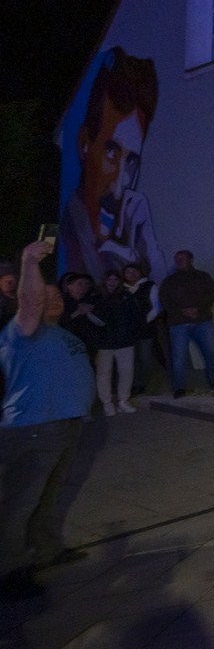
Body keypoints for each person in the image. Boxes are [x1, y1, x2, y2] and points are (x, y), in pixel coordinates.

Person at [0, 240, 94, 600]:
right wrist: (29, 262)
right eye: (46, 296)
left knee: (49, 494)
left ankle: (46, 549)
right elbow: (30, 302)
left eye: (57, 297)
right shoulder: (23, 332)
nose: (52, 301)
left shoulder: (61, 332)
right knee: (20, 501)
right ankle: (8, 570)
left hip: (66, 424)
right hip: (34, 427)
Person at [61, 47, 165, 283]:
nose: (119, 189)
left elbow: (164, 297)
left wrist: (148, 247)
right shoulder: (70, 237)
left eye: (131, 161)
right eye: (111, 152)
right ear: (84, 144)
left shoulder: (126, 238)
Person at [159, 250, 214, 396]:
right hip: (178, 323)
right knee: (179, 356)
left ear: (190, 260)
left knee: (212, 352)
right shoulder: (169, 281)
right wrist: (182, 311)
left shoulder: (203, 277)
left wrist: (198, 309)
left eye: (181, 259)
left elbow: (211, 293)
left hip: (202, 321)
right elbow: (165, 301)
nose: (178, 261)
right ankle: (179, 387)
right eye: (176, 259)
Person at [92, 270, 140, 414]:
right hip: (104, 342)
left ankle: (123, 400)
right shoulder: (96, 297)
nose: (112, 283)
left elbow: (135, 316)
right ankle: (106, 402)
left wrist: (131, 333)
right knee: (103, 373)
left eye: (115, 280)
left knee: (126, 371)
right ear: (104, 281)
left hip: (125, 341)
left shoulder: (127, 296)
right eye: (109, 279)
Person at [121, 262, 159, 395]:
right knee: (130, 359)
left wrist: (143, 321)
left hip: (145, 329)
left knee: (144, 358)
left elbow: (156, 307)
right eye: (128, 272)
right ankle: (131, 384)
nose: (131, 274)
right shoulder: (122, 289)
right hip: (127, 330)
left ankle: (141, 383)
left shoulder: (149, 286)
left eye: (134, 271)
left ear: (140, 272)